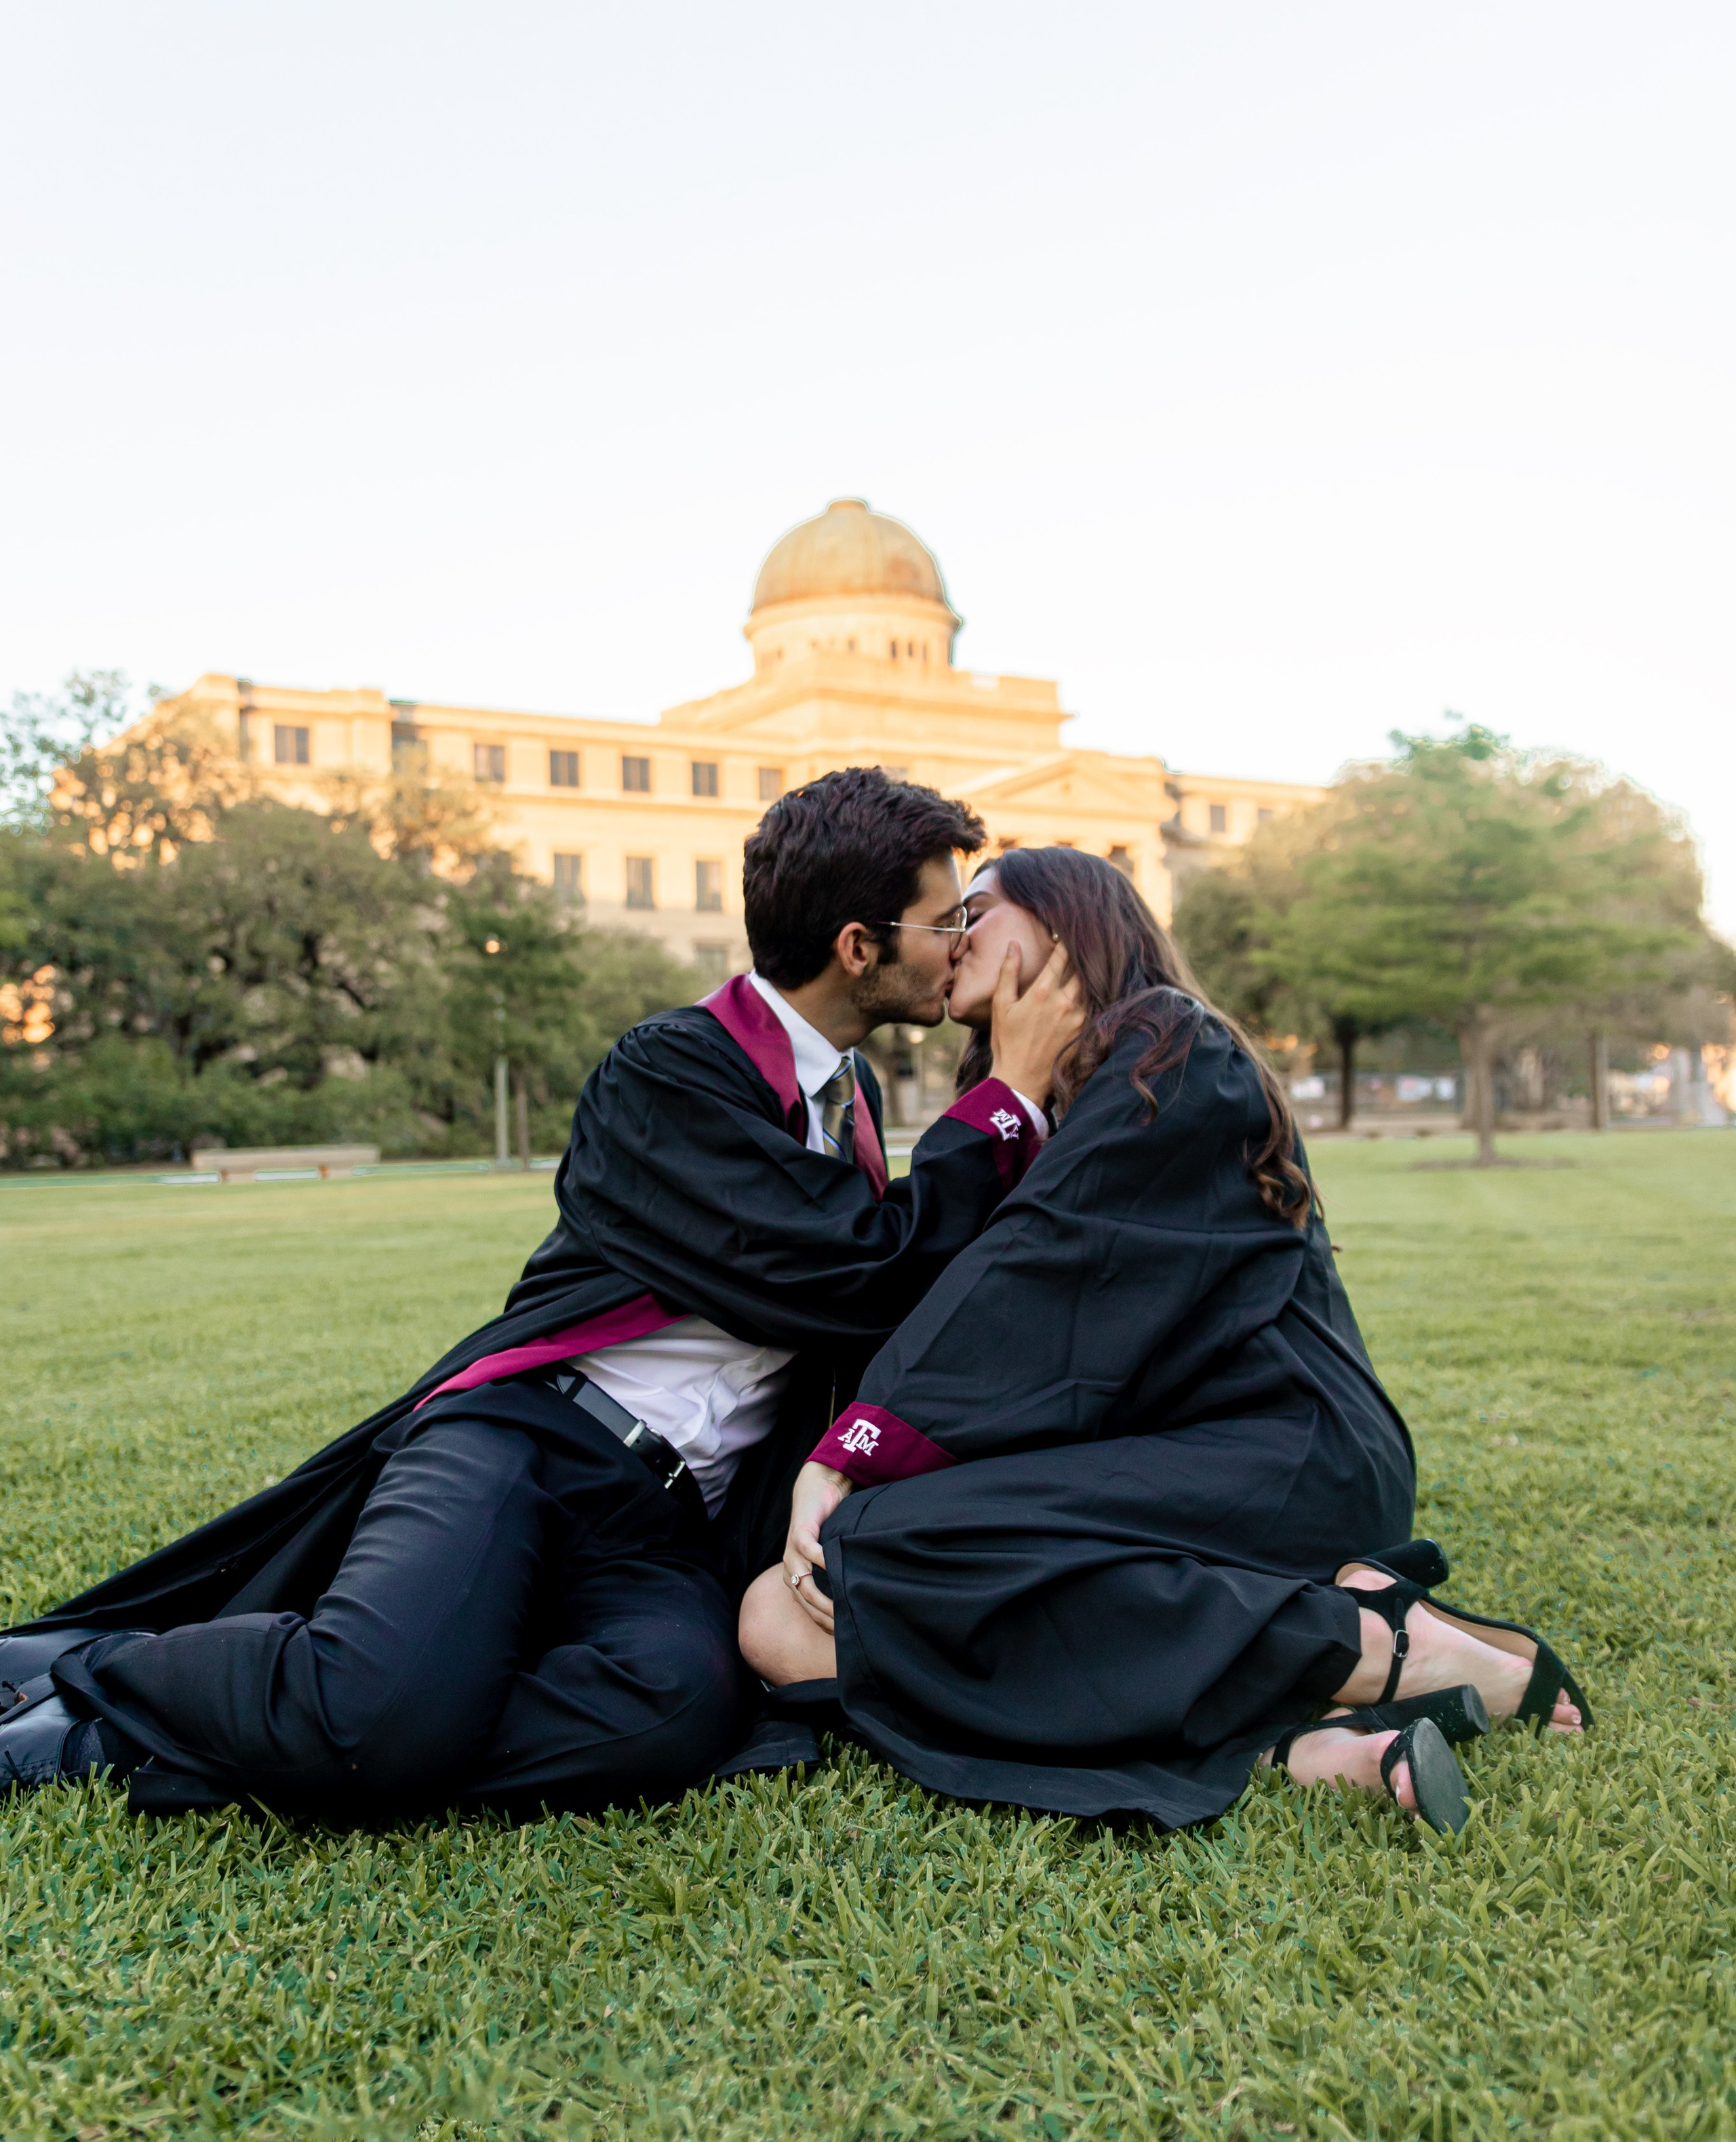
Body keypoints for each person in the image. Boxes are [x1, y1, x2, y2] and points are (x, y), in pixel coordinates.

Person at [0, 770, 1082, 1821]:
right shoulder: (671, 1071)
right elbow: (857, 1269)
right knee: (384, 1710)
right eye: (947, 923)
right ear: (860, 946)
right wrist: (1009, 1098)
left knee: (678, 1711)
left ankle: (368, 1719)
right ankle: (105, 1689)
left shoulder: (843, 1114)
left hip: (654, 1525)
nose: (960, 948)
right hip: (519, 1445)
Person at [740, 847, 1589, 1834]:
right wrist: (1008, 1092)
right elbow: (946, 1285)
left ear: (1066, 927)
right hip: (1161, 1451)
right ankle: (1307, 1734)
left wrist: (857, 1447)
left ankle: (1368, 1643)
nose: (954, 935)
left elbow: (1037, 1281)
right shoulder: (1045, 1098)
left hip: (1282, 1448)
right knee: (779, 1617)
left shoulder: (1173, 1053)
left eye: (978, 908)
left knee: (875, 1547)